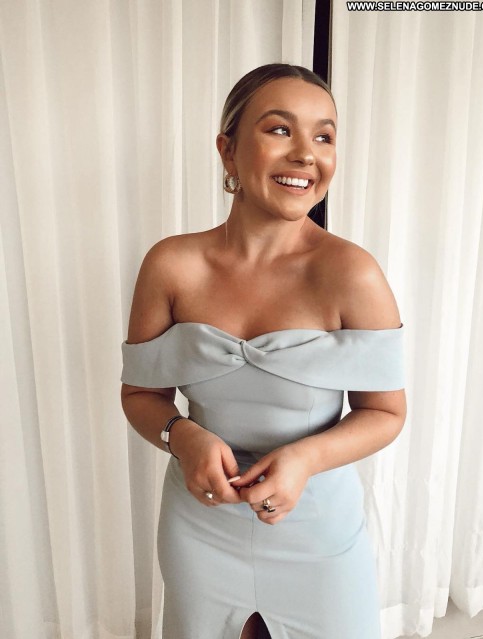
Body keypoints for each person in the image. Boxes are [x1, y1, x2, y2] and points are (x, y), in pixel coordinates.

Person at [120, 63, 406, 639]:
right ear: (227, 150)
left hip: (317, 528)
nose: (306, 154)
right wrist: (183, 437)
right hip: (200, 523)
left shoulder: (353, 274)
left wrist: (304, 460)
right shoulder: (171, 265)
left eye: (324, 136)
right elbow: (141, 394)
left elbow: (385, 412)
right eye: (280, 129)